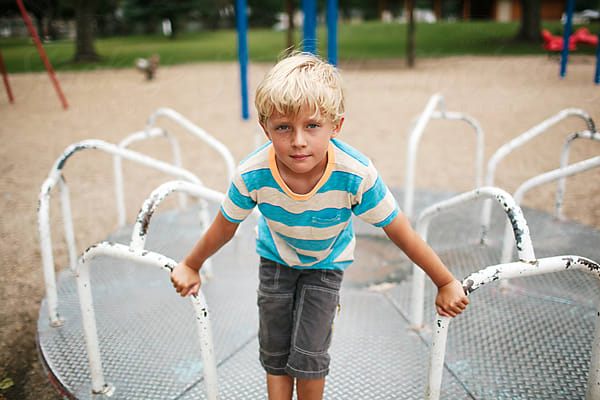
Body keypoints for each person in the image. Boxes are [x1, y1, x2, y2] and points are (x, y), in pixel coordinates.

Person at [170, 52, 469, 400]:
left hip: (326, 264)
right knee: (275, 349)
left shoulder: (355, 174)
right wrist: (191, 264)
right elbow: (224, 227)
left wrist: (445, 281)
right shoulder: (253, 174)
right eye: (283, 127)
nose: (298, 140)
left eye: (312, 126)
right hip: (275, 259)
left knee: (310, 354)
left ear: (335, 126)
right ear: (266, 128)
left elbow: (400, 231)